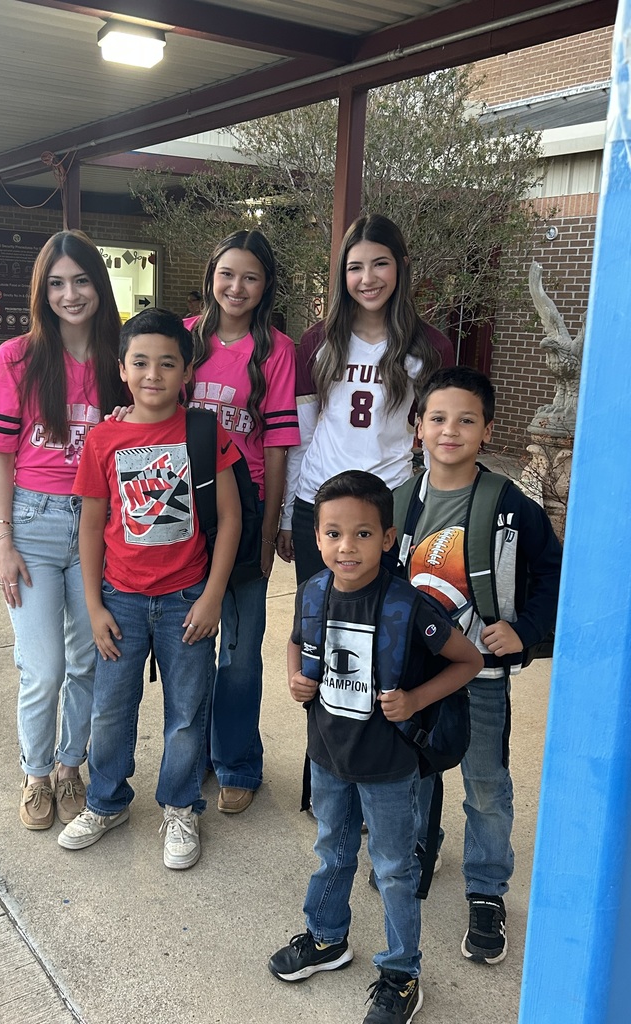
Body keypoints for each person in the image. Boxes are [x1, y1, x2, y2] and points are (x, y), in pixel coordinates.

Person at [269, 471, 482, 1024]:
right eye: (333, 533)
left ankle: (402, 973)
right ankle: (326, 937)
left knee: (392, 868)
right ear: (317, 537)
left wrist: (415, 700)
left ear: (387, 538)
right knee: (331, 851)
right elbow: (295, 642)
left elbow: (469, 661)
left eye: (362, 534)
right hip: (328, 754)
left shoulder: (407, 607)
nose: (347, 546)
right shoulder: (313, 592)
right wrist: (295, 677)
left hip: (388, 766)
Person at [58, 308, 241, 869]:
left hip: (187, 599)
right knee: (111, 710)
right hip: (121, 601)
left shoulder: (204, 433)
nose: (153, 374)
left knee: (186, 712)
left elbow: (230, 518)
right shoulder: (103, 439)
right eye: (140, 362)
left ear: (186, 371)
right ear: (122, 369)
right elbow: (92, 526)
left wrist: (212, 596)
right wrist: (94, 606)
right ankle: (106, 801)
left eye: (167, 363)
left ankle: (180, 806)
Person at [394, 366, 562, 965]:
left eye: (466, 420)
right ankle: (420, 846)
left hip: (483, 675)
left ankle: (487, 888)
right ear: (418, 426)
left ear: (487, 430)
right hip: (417, 674)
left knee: (486, 783)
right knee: (416, 771)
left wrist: (525, 630)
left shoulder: (510, 504)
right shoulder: (398, 502)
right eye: (438, 418)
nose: (450, 430)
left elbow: (552, 571)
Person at [0, 229, 125, 830]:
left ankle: (68, 766)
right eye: (56, 283)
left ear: (99, 285)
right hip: (33, 523)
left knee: (87, 660)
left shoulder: (120, 359)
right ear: (42, 292)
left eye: (81, 280)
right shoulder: (17, 358)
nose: (70, 294)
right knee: (44, 668)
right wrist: (2, 542)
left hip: (98, 526)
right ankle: (35, 773)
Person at [185, 230, 300, 813]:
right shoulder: (183, 337)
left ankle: (236, 760)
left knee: (240, 647)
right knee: (189, 643)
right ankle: (195, 754)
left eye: (250, 277)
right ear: (211, 275)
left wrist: (271, 524)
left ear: (265, 285)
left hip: (246, 503)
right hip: (180, 503)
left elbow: (278, 446)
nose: (236, 286)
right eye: (227, 273)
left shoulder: (276, 350)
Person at [278, 214, 454, 585]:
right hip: (319, 501)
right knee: (316, 613)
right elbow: (302, 438)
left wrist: (433, 512)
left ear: (402, 266)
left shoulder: (430, 347)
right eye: (355, 267)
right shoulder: (317, 342)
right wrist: (289, 514)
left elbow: (438, 440)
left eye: (380, 264)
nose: (368, 279)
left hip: (389, 503)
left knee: (383, 615)